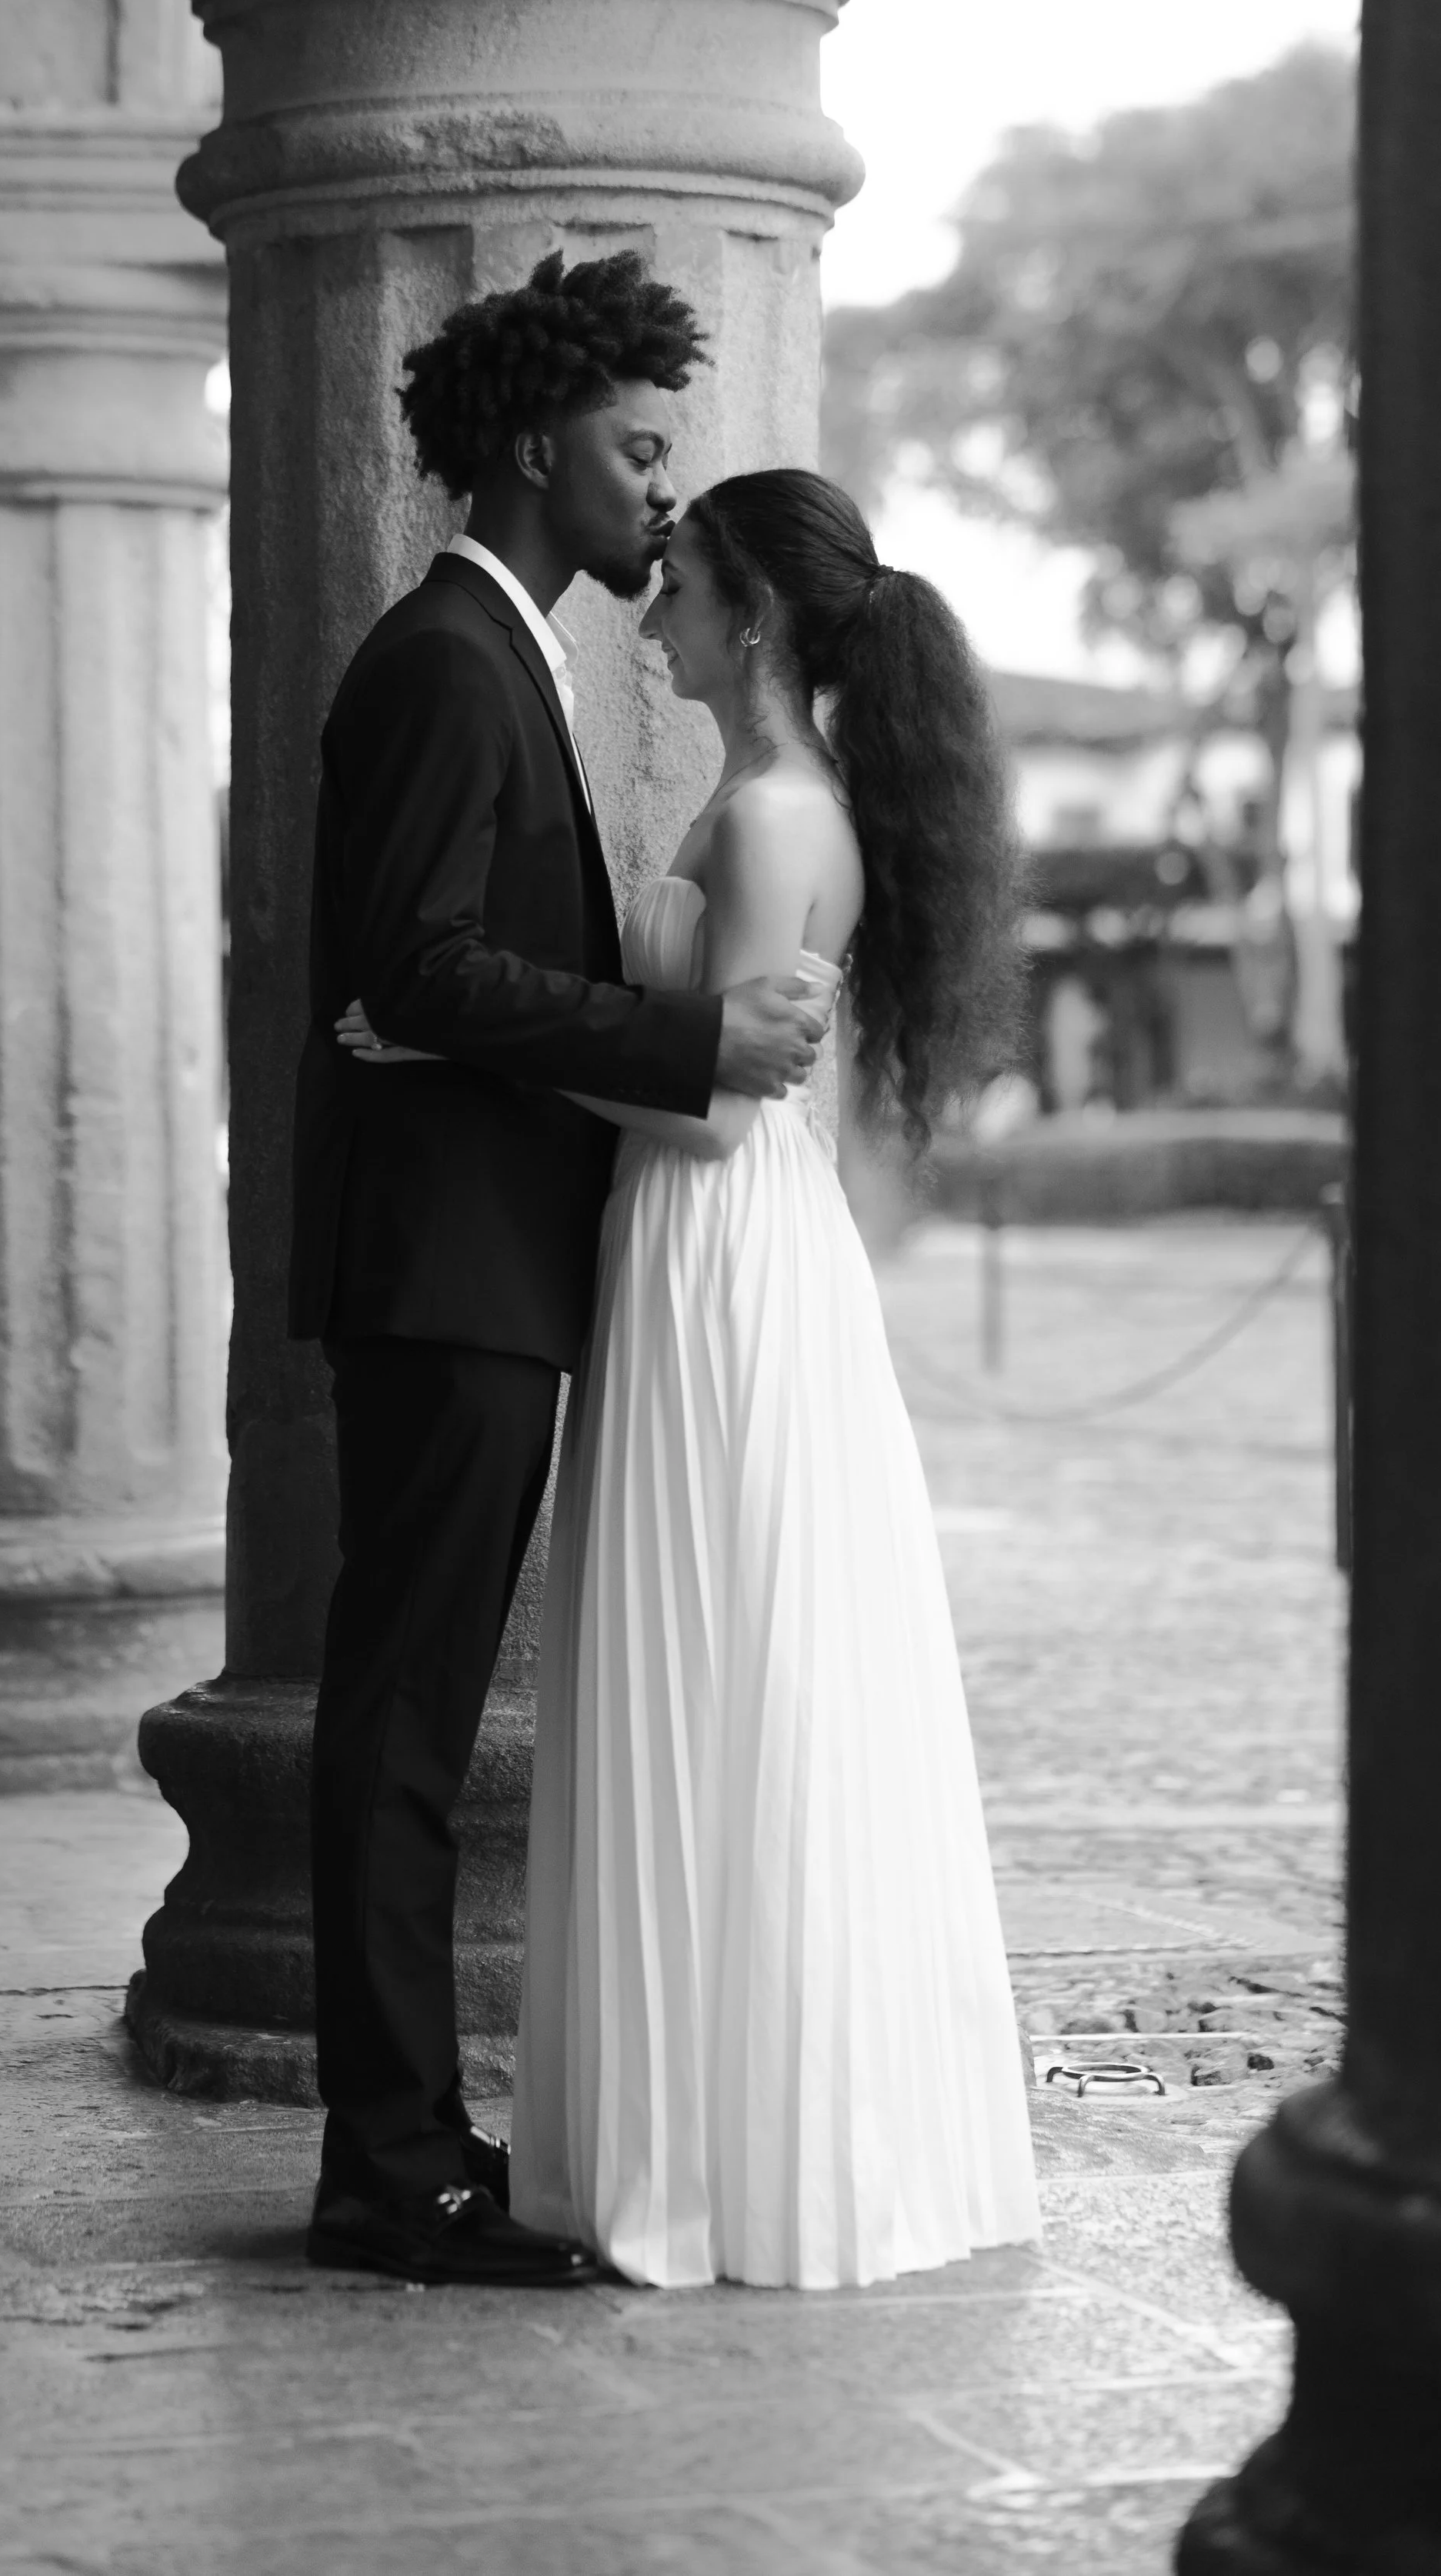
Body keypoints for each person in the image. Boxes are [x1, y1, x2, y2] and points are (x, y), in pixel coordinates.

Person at [350, 469, 1043, 2288]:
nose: (650, 615)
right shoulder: (768, 802)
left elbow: (710, 1103)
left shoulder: (768, 819)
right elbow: (707, 1061)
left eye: (681, 588)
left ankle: (728, 2149)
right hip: (705, 1247)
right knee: (726, 1657)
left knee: (717, 1659)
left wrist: (459, 1040)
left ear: (753, 617)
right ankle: (725, 2123)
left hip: (712, 1246)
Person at [289, 255, 828, 2289]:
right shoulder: (446, 661)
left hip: (482, 1253)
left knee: (413, 1713)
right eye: (636, 446)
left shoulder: (499, 654)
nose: (662, 491)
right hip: (445, 1265)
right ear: (537, 447)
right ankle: (392, 2171)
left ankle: (411, 2141)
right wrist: (684, 1040)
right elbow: (419, 961)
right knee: (402, 1721)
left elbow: (430, 983)